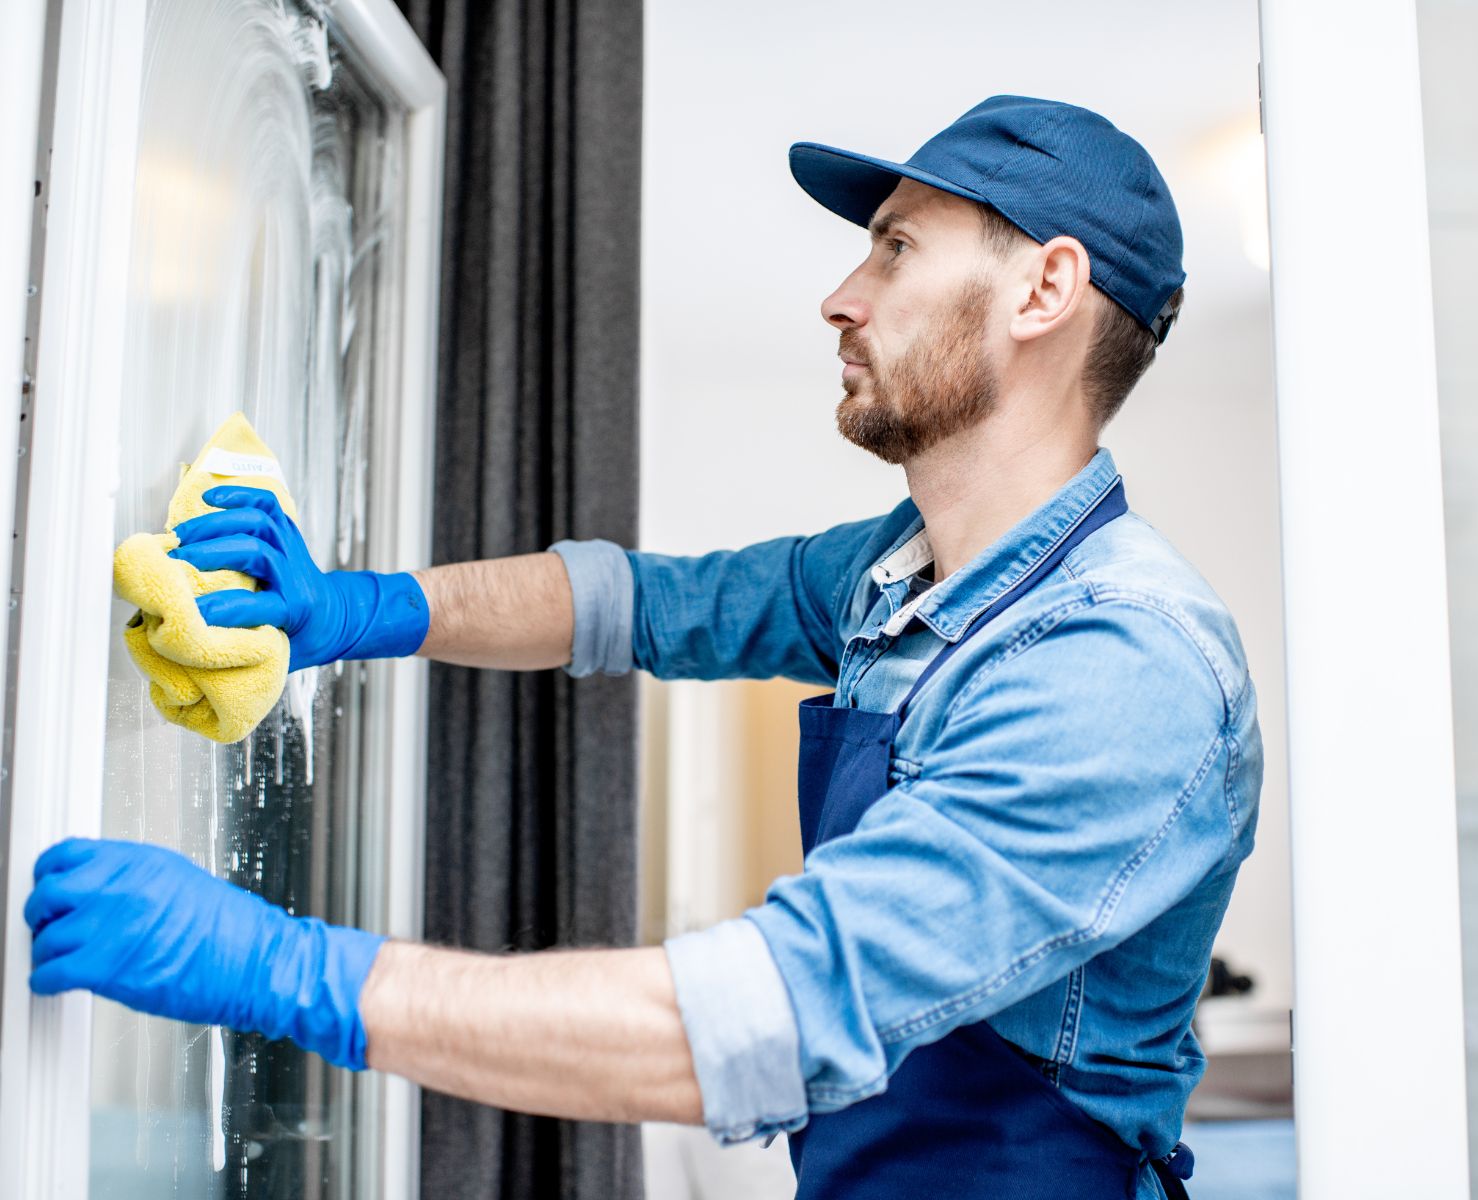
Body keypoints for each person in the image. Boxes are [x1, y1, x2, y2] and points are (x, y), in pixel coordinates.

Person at [27, 95, 1261, 1199]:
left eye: (895, 246)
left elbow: (775, 1011)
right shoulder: (899, 571)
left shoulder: (1118, 661)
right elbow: (636, 605)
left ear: (1045, 291)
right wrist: (357, 607)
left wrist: (279, 970)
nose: (841, 294)